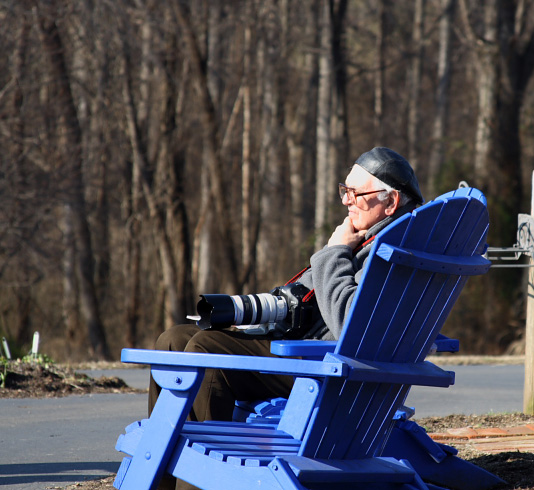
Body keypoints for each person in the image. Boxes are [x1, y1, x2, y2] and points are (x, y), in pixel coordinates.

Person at [150, 147, 423, 490]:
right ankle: (164, 479)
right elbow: (306, 298)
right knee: (172, 341)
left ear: (391, 202)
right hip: (313, 355)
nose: (346, 201)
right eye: (345, 190)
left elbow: (350, 324)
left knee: (207, 349)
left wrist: (333, 252)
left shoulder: (392, 251)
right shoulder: (372, 238)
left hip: (332, 373)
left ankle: (199, 481)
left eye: (356, 194)